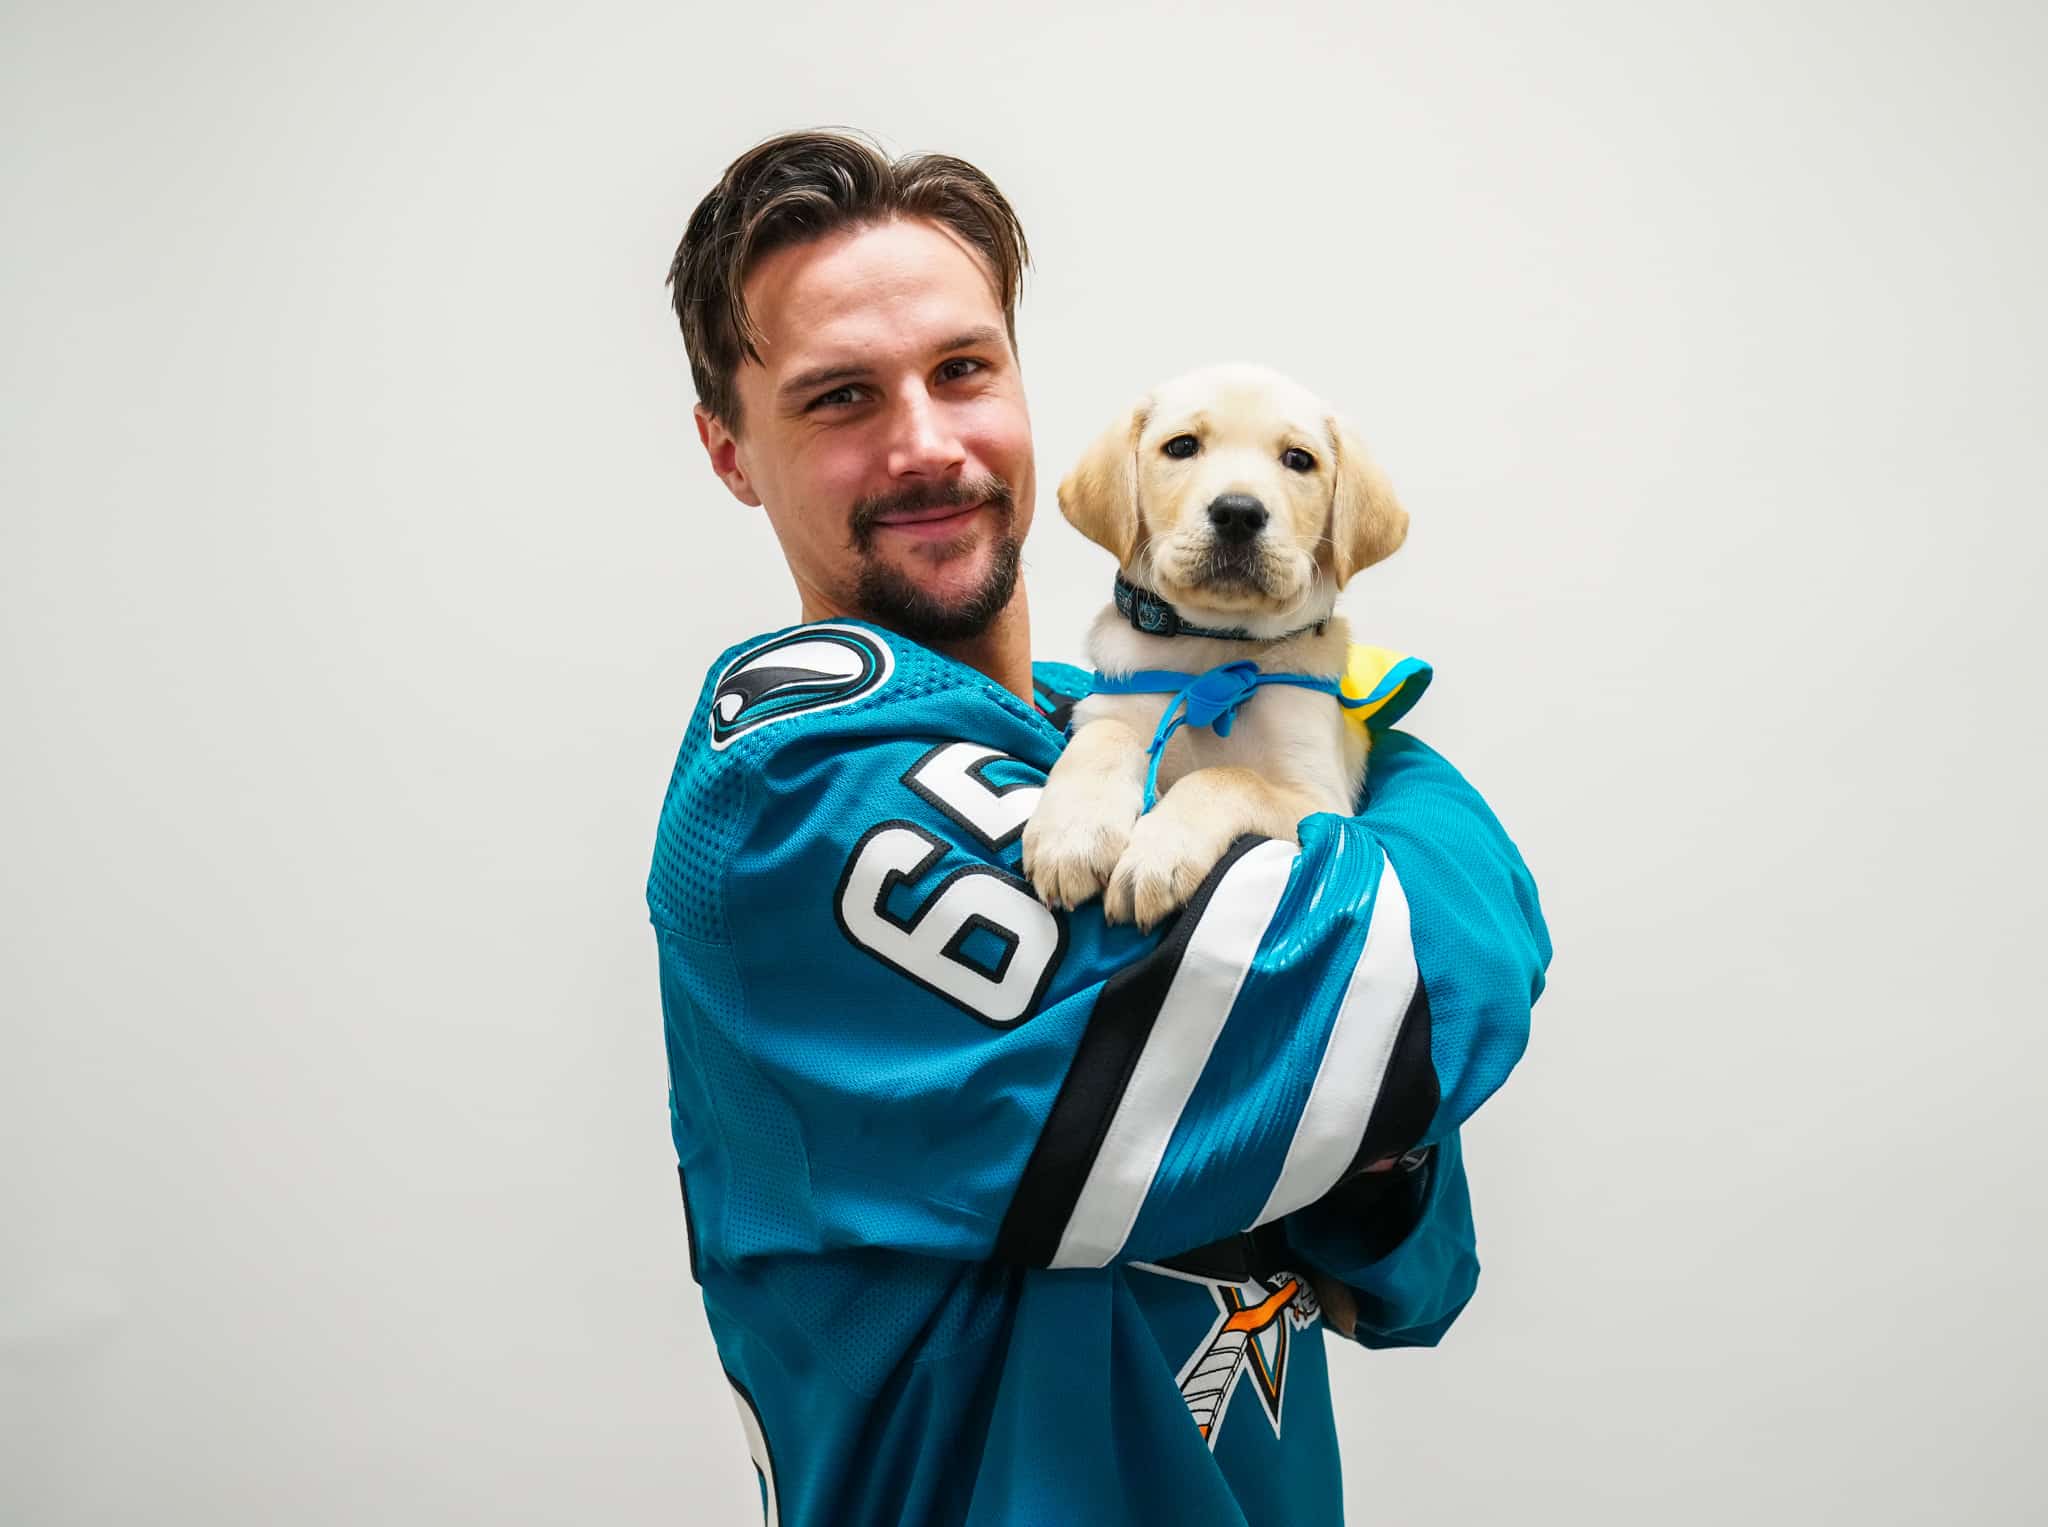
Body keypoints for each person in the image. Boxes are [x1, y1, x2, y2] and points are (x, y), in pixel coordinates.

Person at [649, 128, 1552, 1527]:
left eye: (963, 369)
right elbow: (1402, 997)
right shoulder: (795, 780)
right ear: (730, 450)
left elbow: (1406, 1255)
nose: (927, 443)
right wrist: (1414, 790)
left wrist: (1355, 1132)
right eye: (839, 399)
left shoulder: (1106, 725)